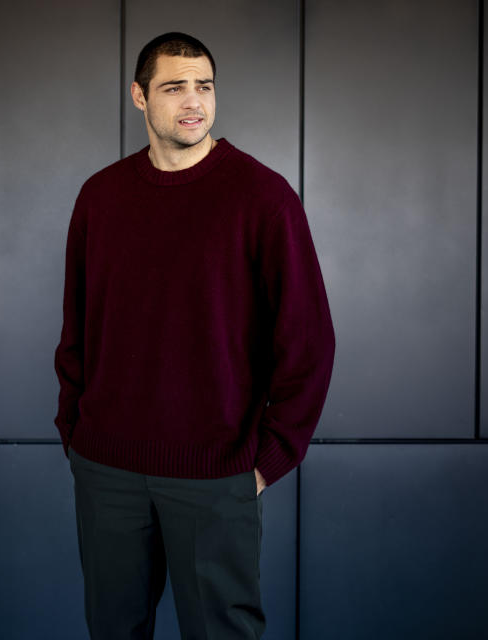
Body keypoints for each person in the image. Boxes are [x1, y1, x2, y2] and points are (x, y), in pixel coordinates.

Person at [53, 31, 336, 640]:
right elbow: (76, 327)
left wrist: (265, 460)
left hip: (216, 473)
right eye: (174, 86)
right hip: (107, 468)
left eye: (203, 86)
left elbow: (308, 340)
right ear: (138, 96)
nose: (193, 102)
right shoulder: (100, 198)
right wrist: (74, 432)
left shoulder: (263, 198)